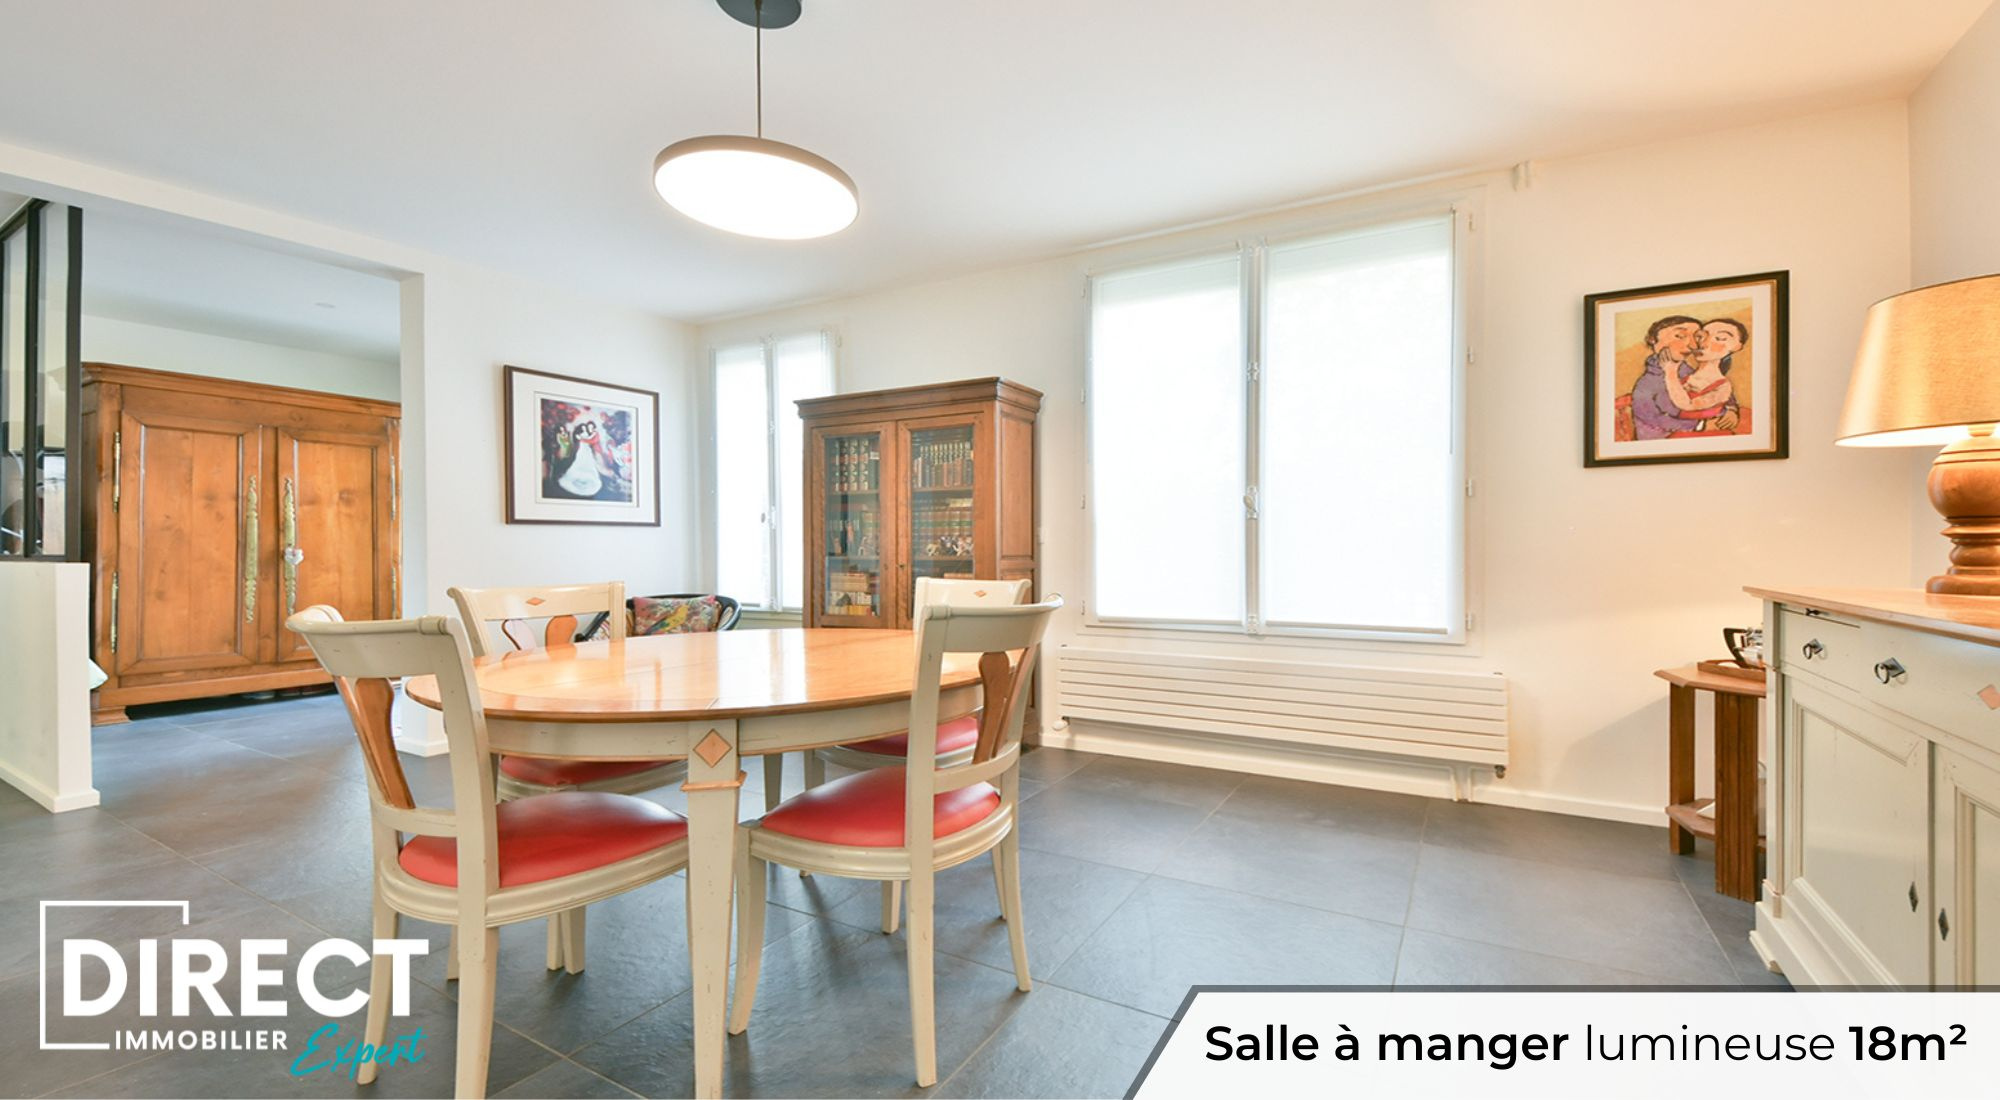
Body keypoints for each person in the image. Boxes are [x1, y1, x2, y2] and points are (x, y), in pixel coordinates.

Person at [1627, 314, 1703, 439]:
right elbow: (1652, 418)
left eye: (1697, 337)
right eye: (1680, 336)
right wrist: (1699, 424)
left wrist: (1730, 410)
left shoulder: (1689, 371)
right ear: (1653, 339)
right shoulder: (1646, 384)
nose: (1692, 345)